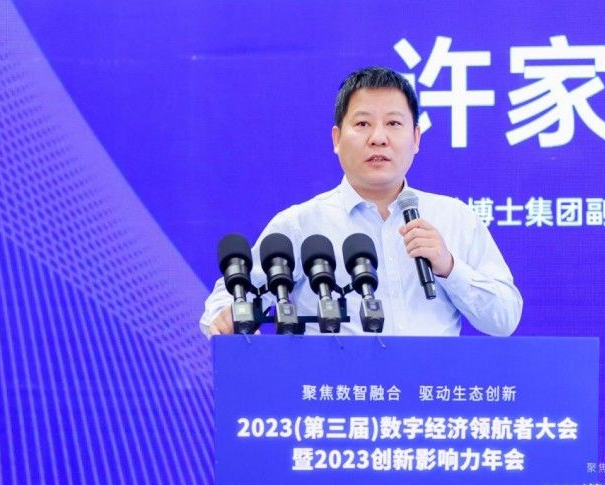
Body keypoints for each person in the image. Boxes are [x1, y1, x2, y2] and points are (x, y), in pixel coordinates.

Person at [200, 66, 522, 336]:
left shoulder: (454, 218)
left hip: (429, 390)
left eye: (393, 123)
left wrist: (449, 267)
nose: (378, 138)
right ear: (337, 139)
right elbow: (225, 301)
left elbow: (504, 318)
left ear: (415, 138)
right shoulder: (301, 224)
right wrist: (229, 321)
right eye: (363, 124)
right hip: (335, 391)